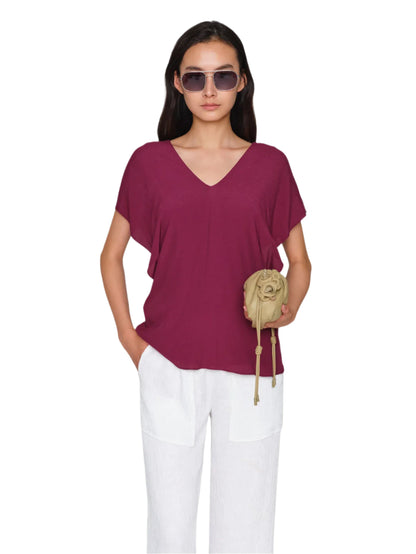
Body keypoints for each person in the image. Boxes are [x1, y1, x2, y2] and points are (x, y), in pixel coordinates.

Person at [100, 20, 312, 554]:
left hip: (253, 366)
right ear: (177, 83)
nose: (210, 90)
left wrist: (288, 306)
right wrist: (132, 342)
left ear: (243, 82)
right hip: (168, 363)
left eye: (223, 76)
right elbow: (110, 255)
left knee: (247, 529)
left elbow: (300, 261)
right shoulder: (149, 163)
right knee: (169, 529)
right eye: (195, 77)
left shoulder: (271, 165)